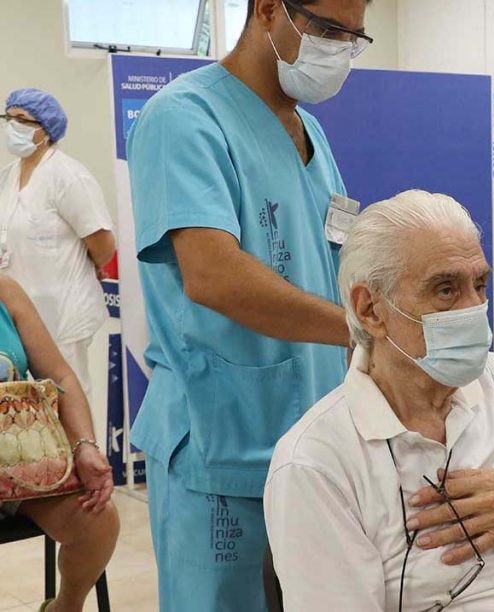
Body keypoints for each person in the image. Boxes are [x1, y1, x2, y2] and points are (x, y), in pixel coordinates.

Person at [125, 0, 372, 608]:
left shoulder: (310, 133)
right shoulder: (183, 118)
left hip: (310, 445)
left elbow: (331, 257)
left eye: (354, 37)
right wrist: (363, 329)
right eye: (329, 29)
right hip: (222, 440)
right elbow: (213, 276)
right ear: (267, 9)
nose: (340, 50)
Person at [265, 190, 494, 611]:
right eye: (446, 290)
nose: (474, 309)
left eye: (479, 285)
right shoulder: (316, 463)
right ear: (371, 310)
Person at [0, 274, 118, 612]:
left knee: (97, 520)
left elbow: (61, 375)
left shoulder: (6, 291)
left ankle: (65, 607)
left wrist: (85, 446)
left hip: (20, 463)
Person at [0, 89, 116, 401]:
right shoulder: (7, 177)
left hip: (63, 314)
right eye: (8, 117)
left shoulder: (68, 176)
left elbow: (102, 243)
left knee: (66, 401)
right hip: (19, 313)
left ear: (47, 129)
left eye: (22, 119)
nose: (12, 126)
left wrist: (90, 264)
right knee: (23, 405)